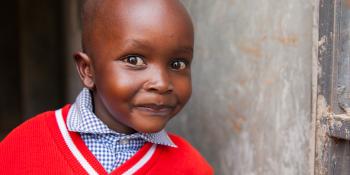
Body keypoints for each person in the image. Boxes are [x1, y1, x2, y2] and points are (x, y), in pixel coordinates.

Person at [0, 0, 213, 174]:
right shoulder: (23, 148)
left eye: (178, 64)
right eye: (134, 60)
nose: (162, 83)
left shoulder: (191, 168)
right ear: (87, 70)